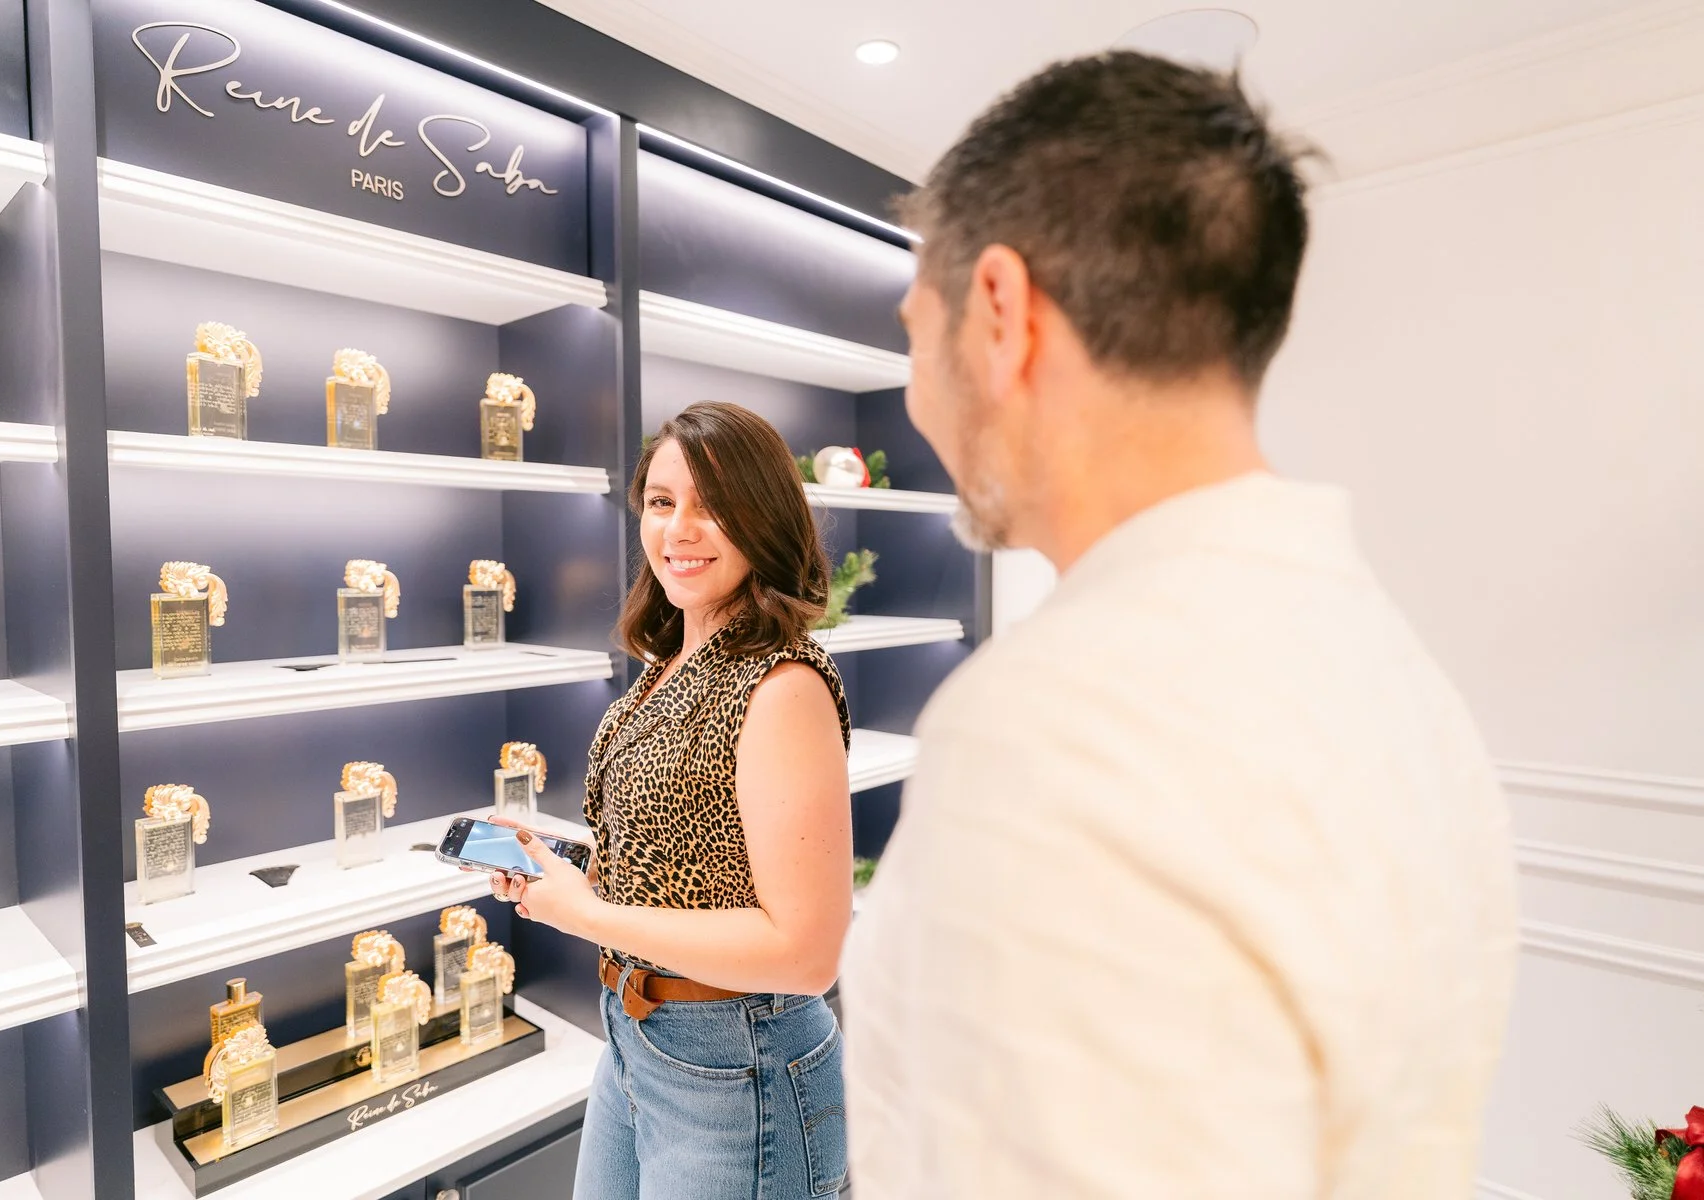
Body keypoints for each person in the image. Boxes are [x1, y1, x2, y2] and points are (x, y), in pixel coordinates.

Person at [838, 51, 1518, 1197]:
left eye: (916, 330)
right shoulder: (1390, 671)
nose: (914, 392)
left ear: (1000, 312)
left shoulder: (1059, 728)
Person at [492, 400, 854, 1199]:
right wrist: (569, 868)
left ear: (763, 519)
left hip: (738, 1064)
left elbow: (806, 951)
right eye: (662, 502)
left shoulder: (781, 685)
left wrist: (580, 912)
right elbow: (692, 857)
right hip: (637, 1038)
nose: (679, 529)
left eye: (712, 504)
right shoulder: (674, 660)